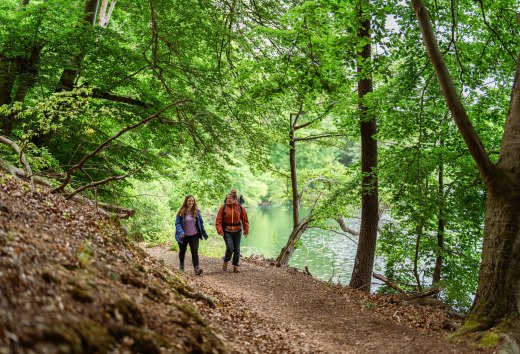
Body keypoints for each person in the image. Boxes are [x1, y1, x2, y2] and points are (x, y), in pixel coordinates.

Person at [215, 189, 249, 273]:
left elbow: (245, 220)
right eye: (227, 199)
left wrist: (246, 230)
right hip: (227, 230)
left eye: (229, 199)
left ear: (235, 199)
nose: (227, 200)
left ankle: (236, 266)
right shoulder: (223, 207)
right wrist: (219, 230)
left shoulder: (240, 207)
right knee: (230, 248)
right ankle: (226, 261)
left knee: (237, 249)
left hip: (238, 230)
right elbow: (218, 220)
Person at [175, 195, 208, 275]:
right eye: (189, 201)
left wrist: (204, 233)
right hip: (183, 235)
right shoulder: (181, 212)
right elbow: (177, 224)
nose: (191, 202)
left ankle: (196, 268)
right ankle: (181, 266)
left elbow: (201, 224)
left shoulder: (197, 212)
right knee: (182, 251)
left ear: (194, 202)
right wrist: (181, 232)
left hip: (194, 235)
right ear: (186, 202)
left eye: (192, 201)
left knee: (194, 251)